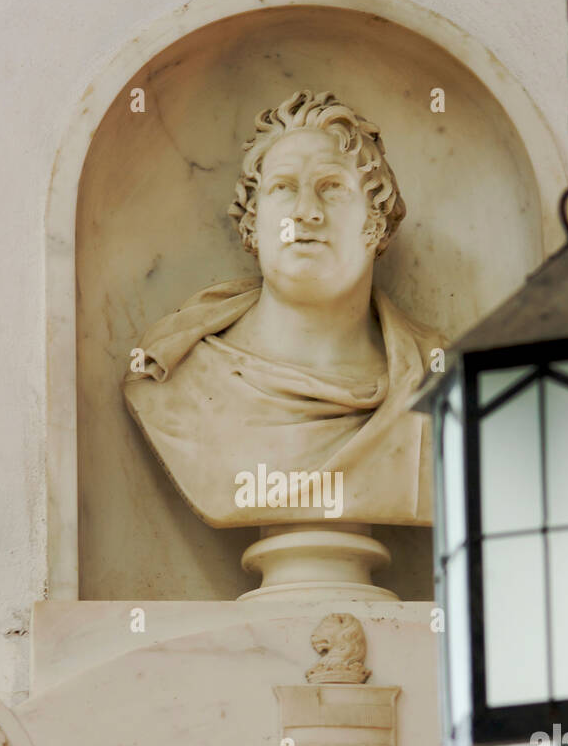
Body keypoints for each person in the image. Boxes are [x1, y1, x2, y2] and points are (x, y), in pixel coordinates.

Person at [123, 89, 444, 527]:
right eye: (283, 189)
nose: (306, 212)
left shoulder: (440, 381)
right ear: (252, 222)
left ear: (376, 222)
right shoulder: (181, 378)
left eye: (332, 189)